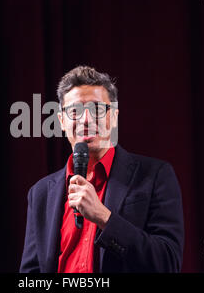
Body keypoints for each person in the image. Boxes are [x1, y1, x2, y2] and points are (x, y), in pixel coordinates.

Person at [20, 66, 184, 273]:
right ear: (61, 121)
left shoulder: (154, 176)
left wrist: (104, 217)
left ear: (113, 117)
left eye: (97, 109)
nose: (86, 120)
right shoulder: (41, 193)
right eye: (75, 111)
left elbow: (168, 263)